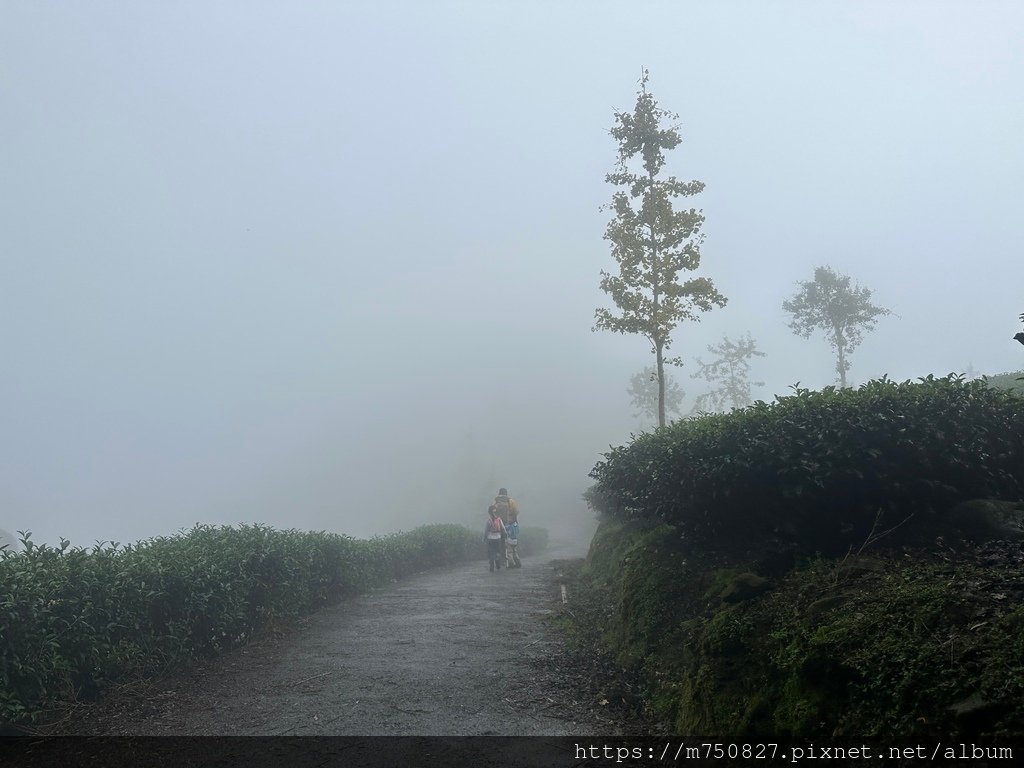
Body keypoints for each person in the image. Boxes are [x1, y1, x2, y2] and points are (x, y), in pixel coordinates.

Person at [492, 487, 521, 568]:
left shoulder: (495, 502)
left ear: (499, 493)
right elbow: (516, 512)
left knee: (501, 543)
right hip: (510, 525)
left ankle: (502, 561)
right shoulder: (511, 502)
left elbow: (492, 513)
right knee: (511, 544)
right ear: (506, 493)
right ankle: (515, 561)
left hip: (499, 526)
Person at [484, 505, 507, 572]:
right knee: (497, 551)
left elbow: (486, 530)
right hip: (498, 537)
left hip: (490, 538)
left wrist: (484, 538)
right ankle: (497, 563)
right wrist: (505, 534)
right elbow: (503, 528)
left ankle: (491, 565)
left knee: (491, 551)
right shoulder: (499, 519)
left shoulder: (488, 520)